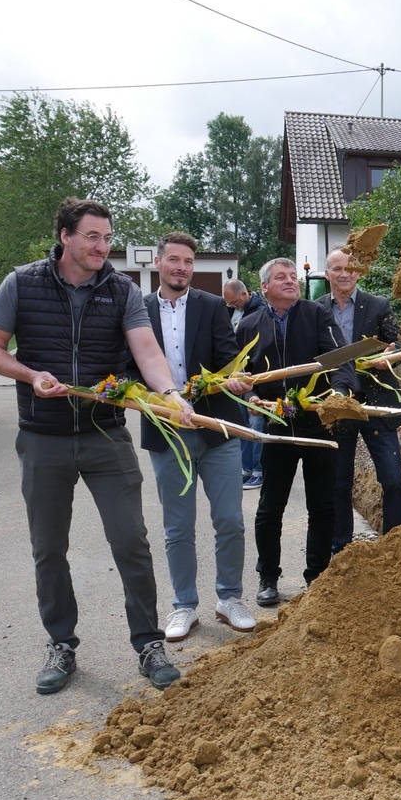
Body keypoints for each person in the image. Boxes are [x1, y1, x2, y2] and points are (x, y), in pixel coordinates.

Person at [0, 197, 187, 694]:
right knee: (49, 548)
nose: (102, 246)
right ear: (66, 236)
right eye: (92, 236)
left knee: (130, 540)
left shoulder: (121, 291)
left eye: (108, 237)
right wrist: (30, 376)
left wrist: (171, 394)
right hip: (42, 438)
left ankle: (148, 643)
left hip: (105, 434)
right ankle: (61, 645)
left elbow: (147, 350)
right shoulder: (22, 283)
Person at [137, 232, 256, 643]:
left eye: (188, 261)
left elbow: (225, 355)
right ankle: (183, 605)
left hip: (216, 429)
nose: (181, 268)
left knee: (230, 521)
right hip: (166, 432)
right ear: (158, 262)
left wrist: (233, 379)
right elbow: (130, 367)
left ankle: (229, 598)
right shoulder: (138, 309)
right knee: (178, 527)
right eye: (174, 260)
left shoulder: (210, 306)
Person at [236, 257, 352, 606]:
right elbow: (239, 374)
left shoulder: (317, 315)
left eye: (292, 276)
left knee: (322, 504)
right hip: (276, 424)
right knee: (271, 505)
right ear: (264, 288)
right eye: (281, 277)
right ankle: (267, 577)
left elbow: (340, 357)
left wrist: (342, 395)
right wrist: (251, 395)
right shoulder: (249, 325)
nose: (290, 281)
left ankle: (317, 576)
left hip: (318, 422)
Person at [316, 249, 401, 552]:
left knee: (393, 480)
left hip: (376, 402)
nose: (345, 274)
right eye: (337, 268)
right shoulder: (315, 310)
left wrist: (388, 356)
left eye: (351, 269)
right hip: (338, 405)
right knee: (338, 482)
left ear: (359, 273)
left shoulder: (378, 305)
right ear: (327, 273)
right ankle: (340, 548)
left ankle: (395, 544)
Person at [223, 279, 266, 490]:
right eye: (228, 303)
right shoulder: (232, 311)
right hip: (237, 374)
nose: (230, 306)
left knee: (255, 424)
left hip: (254, 376)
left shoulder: (261, 311)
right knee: (241, 425)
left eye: (232, 302)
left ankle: (258, 470)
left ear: (244, 294)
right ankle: (245, 469)